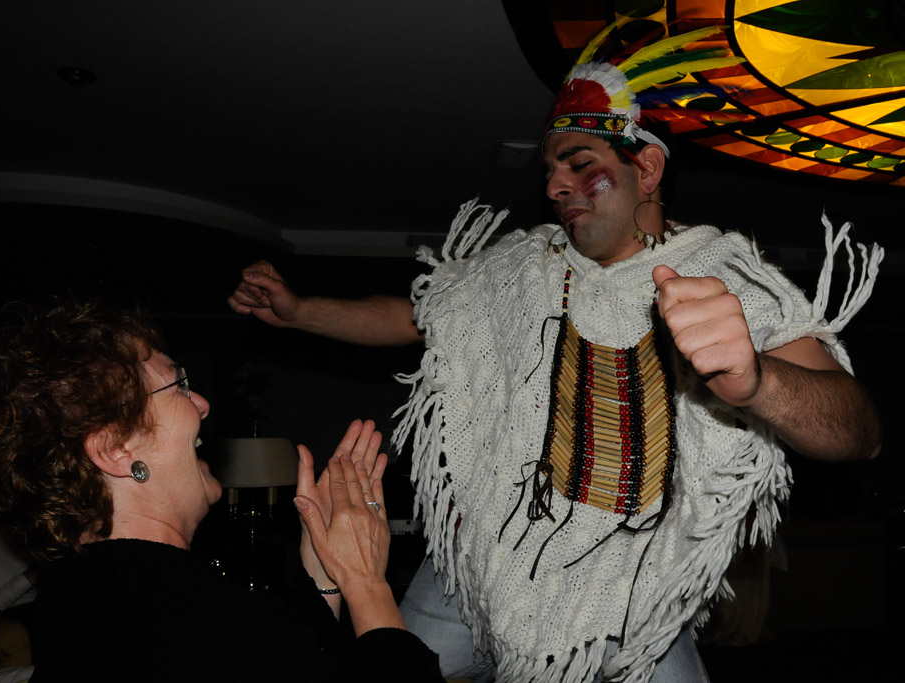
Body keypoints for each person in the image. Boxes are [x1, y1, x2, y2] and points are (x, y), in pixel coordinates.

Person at [228, 26, 882, 683]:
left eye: (578, 163)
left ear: (647, 168)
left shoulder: (725, 273)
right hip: (475, 568)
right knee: (387, 670)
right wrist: (300, 310)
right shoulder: (522, 265)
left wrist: (757, 381)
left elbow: (858, 431)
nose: (555, 186)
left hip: (628, 600)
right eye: (549, 171)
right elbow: (412, 316)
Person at [0, 299, 442, 682]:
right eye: (179, 386)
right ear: (116, 449)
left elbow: (300, 660)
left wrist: (325, 573)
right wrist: (368, 584)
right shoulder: (195, 617)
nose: (203, 404)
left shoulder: (77, 589)